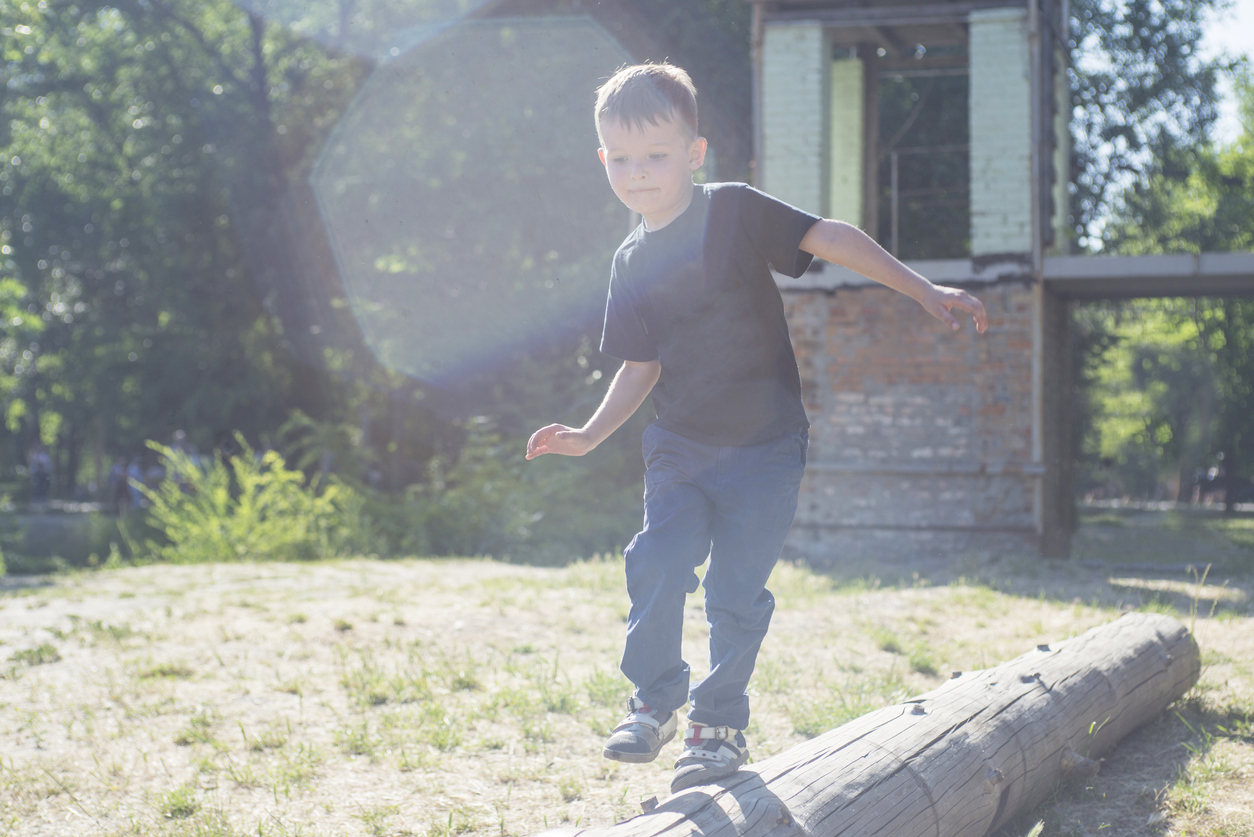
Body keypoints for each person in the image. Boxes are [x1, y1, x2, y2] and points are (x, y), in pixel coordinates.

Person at [525, 63, 988, 793]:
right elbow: (639, 368)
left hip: (767, 450)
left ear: (695, 152)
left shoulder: (734, 212)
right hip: (679, 445)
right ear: (601, 160)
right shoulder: (630, 262)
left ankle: (717, 726)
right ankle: (653, 699)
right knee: (659, 555)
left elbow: (827, 235)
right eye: (621, 159)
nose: (639, 173)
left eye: (657, 155)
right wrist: (586, 434)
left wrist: (922, 289)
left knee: (736, 593)